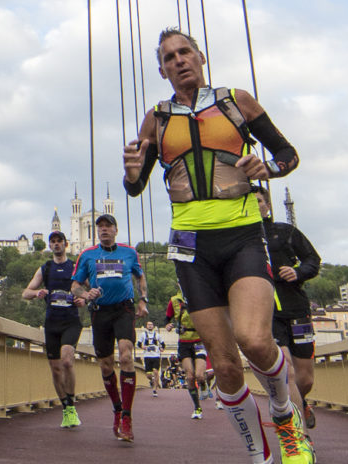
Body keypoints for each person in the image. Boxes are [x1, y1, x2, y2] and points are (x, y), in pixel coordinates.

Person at [122, 28, 313, 464]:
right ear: (162, 69)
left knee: (254, 340)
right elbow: (135, 187)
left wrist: (268, 167)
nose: (179, 60)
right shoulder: (157, 119)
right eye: (169, 57)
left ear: (201, 56)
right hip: (191, 246)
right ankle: (257, 453)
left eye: (185, 51)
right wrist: (132, 173)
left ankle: (285, 417)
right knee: (224, 366)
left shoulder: (236, 101)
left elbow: (289, 154)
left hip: (243, 232)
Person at [70, 214, 147, 443]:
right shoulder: (87, 255)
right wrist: (84, 293)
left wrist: (143, 300)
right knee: (105, 364)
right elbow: (74, 285)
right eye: (100, 227)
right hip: (100, 311)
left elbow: (141, 278)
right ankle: (116, 407)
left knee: (125, 356)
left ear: (115, 229)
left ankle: (127, 416)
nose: (104, 230)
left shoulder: (129, 252)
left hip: (123, 309)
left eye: (108, 226)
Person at [256, 187, 322, 431]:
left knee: (305, 378)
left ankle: (300, 401)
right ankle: (297, 435)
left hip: (297, 309)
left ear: (268, 205)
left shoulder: (286, 232)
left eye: (259, 200)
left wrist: (298, 272)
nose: (255, 205)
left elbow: (313, 260)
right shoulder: (244, 238)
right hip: (268, 313)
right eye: (249, 202)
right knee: (287, 372)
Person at [21, 230, 85, 429]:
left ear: (66, 245)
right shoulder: (45, 269)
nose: (56, 244)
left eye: (60, 241)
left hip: (71, 321)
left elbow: (89, 290)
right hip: (52, 323)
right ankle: (66, 408)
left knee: (67, 361)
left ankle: (72, 404)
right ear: (50, 246)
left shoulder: (75, 267)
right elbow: (25, 293)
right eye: (53, 242)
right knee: (56, 369)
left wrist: (82, 298)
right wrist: (37, 292)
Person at [165, 293, 208, 419]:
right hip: (184, 343)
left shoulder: (199, 293)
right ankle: (197, 408)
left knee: (199, 375)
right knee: (190, 376)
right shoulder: (174, 300)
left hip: (199, 341)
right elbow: (167, 318)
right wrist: (168, 325)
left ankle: (203, 383)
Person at [136, 321, 165, 396]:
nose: (150, 326)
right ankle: (153, 381)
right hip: (147, 356)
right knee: (148, 375)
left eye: (151, 325)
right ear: (146, 326)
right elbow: (138, 344)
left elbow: (163, 344)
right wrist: (143, 347)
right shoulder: (143, 335)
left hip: (156, 356)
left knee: (155, 371)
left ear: (153, 326)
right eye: (148, 325)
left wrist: (162, 349)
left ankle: (155, 389)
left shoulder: (158, 335)